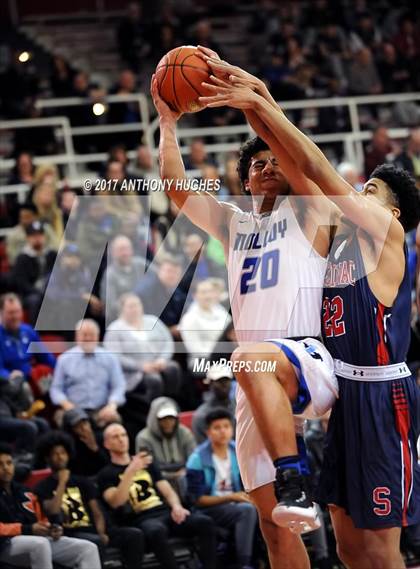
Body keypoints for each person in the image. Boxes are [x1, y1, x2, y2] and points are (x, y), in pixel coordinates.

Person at [200, 55, 420, 569]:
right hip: (342, 392)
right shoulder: (335, 243)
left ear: (390, 212)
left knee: (380, 549)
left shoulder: (386, 236)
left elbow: (314, 166)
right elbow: (291, 159)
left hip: (383, 395)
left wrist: (257, 100)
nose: (354, 195)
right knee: (346, 547)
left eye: (368, 192)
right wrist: (252, 95)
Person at [151, 48, 338, 568]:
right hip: (256, 378)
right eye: (258, 164)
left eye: (275, 160)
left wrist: (252, 95)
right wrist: (167, 120)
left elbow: (299, 157)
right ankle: (289, 489)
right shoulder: (234, 225)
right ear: (246, 180)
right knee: (274, 522)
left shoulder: (310, 212)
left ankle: (295, 476)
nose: (270, 167)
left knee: (249, 357)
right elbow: (175, 187)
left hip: (309, 359)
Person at [97, 423, 218, 569]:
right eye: (115, 437)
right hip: (140, 519)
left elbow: (167, 491)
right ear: (106, 444)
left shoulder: (148, 464)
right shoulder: (105, 474)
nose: (121, 439)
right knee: (156, 531)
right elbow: (116, 502)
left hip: (165, 512)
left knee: (204, 522)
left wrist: (177, 506)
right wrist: (131, 470)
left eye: (123, 435)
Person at [35, 431, 144, 569]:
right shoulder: (43, 487)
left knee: (134, 535)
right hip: (70, 533)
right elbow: (52, 510)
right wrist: (62, 483)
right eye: (55, 454)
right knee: (95, 542)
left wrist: (101, 532)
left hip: (93, 530)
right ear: (47, 458)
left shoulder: (82, 481)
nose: (60, 457)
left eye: (63, 453)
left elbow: (96, 510)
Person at [0, 443, 101, 569]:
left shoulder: (23, 491)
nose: (5, 468)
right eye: (0, 464)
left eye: (9, 463)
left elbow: (40, 519)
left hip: (34, 539)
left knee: (87, 548)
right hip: (5, 544)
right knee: (40, 544)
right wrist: (27, 529)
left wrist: (50, 528)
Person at [187, 408, 258, 569]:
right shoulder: (197, 459)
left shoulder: (238, 451)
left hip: (236, 504)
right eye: (217, 428)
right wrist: (231, 497)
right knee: (246, 510)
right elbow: (197, 500)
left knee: (261, 507)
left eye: (226, 426)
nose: (223, 431)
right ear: (208, 432)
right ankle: (244, 563)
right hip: (209, 508)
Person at [50, 319, 125, 428]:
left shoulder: (110, 358)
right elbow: (56, 389)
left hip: (101, 410)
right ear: (77, 337)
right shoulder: (64, 359)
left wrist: (111, 406)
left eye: (92, 335)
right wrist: (67, 405)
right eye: (84, 335)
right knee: (68, 420)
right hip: (73, 409)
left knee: (115, 423)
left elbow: (119, 386)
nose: (88, 338)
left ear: (98, 336)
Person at [135, 397, 196, 497]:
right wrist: (173, 476)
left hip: (185, 476)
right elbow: (147, 469)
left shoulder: (185, 433)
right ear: (154, 419)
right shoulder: (143, 438)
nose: (168, 423)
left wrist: (185, 472)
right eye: (163, 419)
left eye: (171, 418)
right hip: (158, 481)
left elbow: (194, 460)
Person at [11, 220, 57, 324]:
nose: (37, 238)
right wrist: (40, 293)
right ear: (27, 238)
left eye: (40, 235)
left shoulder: (52, 254)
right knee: (34, 300)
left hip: (50, 290)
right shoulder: (22, 258)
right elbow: (21, 284)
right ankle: (35, 332)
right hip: (30, 294)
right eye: (33, 236)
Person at [179, 279, 231, 370]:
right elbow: (195, 349)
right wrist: (220, 356)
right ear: (195, 296)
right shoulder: (189, 318)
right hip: (201, 361)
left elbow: (230, 332)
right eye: (203, 292)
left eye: (210, 292)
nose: (207, 296)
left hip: (225, 357)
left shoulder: (221, 311)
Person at [100, 235, 148, 322]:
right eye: (121, 250)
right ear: (113, 253)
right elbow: (110, 306)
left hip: (146, 313)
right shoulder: (110, 274)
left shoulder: (140, 264)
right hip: (122, 318)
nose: (125, 253)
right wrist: (128, 302)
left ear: (132, 250)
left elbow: (159, 276)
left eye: (127, 249)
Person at [192, 364, 236, 444]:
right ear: (210, 384)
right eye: (219, 381)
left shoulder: (238, 407)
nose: (224, 384)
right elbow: (203, 449)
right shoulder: (201, 415)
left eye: (226, 380)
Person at [62, 408, 109, 477]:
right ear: (71, 430)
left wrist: (95, 449)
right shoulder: (70, 446)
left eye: (85, 423)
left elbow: (110, 465)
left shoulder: (102, 437)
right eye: (78, 426)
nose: (84, 428)